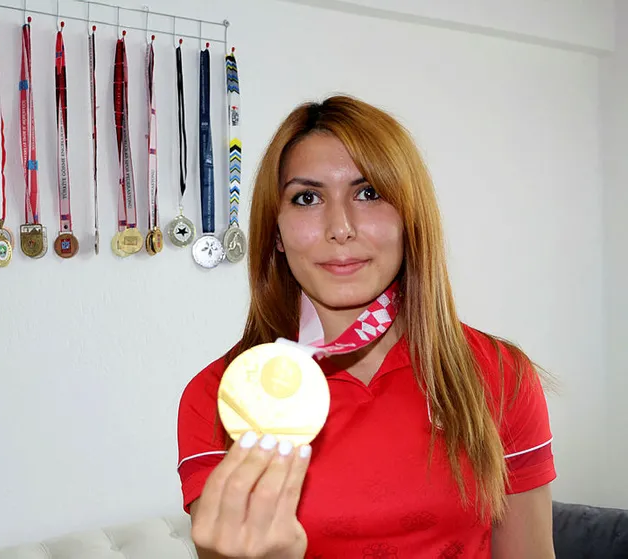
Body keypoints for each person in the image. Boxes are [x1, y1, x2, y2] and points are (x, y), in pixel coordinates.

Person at [176, 95, 556, 558]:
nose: (340, 227)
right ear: (276, 232)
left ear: (409, 218)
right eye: (307, 198)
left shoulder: (500, 373)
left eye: (369, 193)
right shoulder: (222, 397)